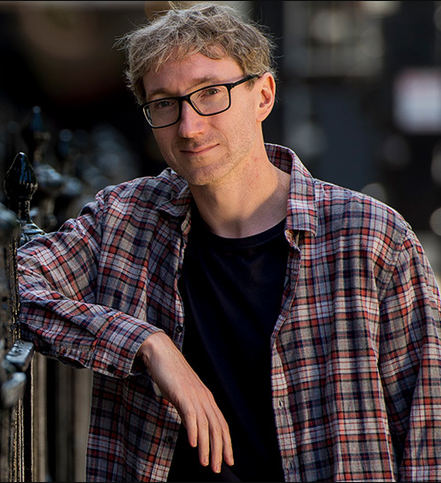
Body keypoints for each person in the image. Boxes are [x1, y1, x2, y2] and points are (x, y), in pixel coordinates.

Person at [16, 2, 441, 482]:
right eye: (164, 103)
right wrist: (146, 343)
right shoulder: (124, 221)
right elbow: (11, 288)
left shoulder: (372, 238)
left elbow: (429, 432)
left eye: (211, 93)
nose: (189, 126)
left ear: (263, 96)